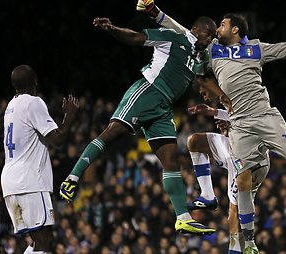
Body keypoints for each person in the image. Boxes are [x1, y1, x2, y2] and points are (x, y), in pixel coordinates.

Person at [136, 0, 286, 253]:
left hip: (265, 116)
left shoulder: (256, 48)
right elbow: (183, 31)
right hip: (240, 124)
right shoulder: (213, 49)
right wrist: (156, 13)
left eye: (222, 24)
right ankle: (250, 243)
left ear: (235, 30)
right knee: (242, 180)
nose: (217, 28)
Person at [59, 13, 231, 236]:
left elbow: (203, 78)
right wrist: (112, 29)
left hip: (164, 108)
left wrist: (221, 98)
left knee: (171, 160)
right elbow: (136, 38)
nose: (210, 39)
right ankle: (72, 178)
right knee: (112, 133)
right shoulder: (174, 37)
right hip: (148, 91)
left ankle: (183, 219)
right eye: (208, 34)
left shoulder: (200, 57)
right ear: (196, 29)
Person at [1, 65, 79, 253]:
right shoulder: (33, 102)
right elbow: (58, 139)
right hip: (29, 182)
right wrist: (70, 115)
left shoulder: (10, 106)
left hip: (10, 184)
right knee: (45, 240)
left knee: (38, 241)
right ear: (35, 81)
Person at [187, 102, 269, 254]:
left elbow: (253, 127)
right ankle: (207, 195)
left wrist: (221, 119)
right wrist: (216, 114)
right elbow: (233, 114)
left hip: (247, 158)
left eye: (203, 90)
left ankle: (235, 250)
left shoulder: (249, 95)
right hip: (230, 144)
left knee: (235, 207)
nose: (203, 95)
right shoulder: (226, 92)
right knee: (194, 142)